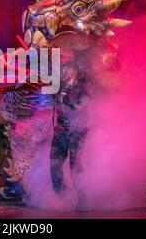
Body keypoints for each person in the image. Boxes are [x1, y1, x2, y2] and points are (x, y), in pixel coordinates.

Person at [50, 62, 89, 210]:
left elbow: (83, 108)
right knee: (54, 166)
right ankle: (64, 197)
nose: (65, 72)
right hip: (60, 131)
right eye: (63, 69)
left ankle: (82, 200)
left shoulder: (81, 89)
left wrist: (71, 104)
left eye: (68, 69)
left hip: (77, 132)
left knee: (75, 166)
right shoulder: (58, 88)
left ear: (75, 72)